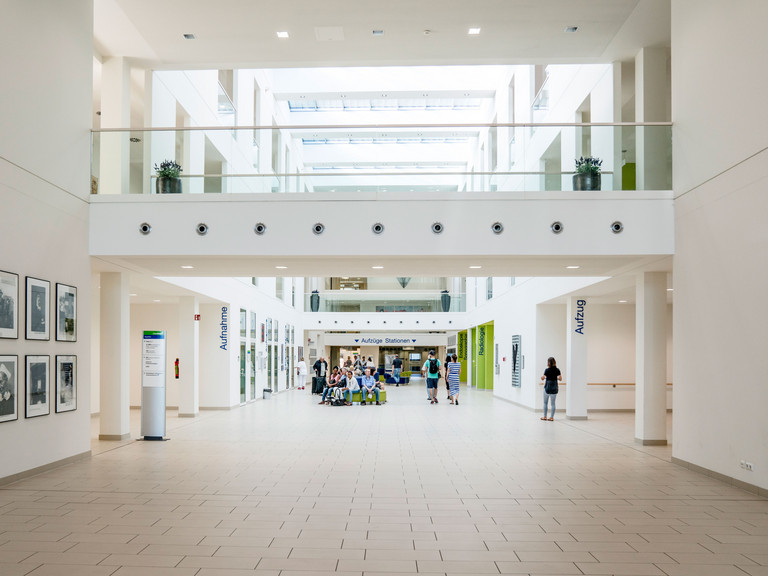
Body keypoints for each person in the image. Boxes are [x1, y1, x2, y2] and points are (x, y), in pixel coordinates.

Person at [540, 356, 562, 421]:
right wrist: (555, 378)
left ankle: (545, 416)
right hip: (554, 388)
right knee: (553, 403)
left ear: (548, 363)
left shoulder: (547, 370)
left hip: (547, 388)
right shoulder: (557, 370)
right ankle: (551, 417)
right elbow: (560, 379)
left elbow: (542, 378)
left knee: (545, 403)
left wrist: (543, 377)